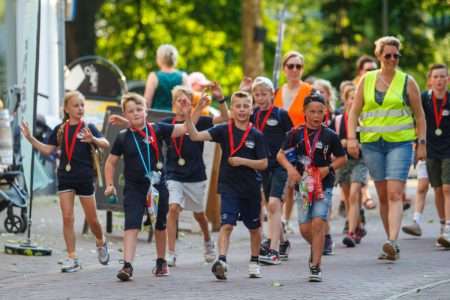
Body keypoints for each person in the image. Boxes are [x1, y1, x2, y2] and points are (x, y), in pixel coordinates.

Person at [347, 36, 427, 261]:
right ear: (379, 56)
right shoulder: (367, 80)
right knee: (382, 195)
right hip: (372, 144)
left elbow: (420, 115)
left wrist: (421, 143)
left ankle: (392, 242)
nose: (392, 59)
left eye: (396, 55)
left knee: (395, 193)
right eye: (387, 55)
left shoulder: (407, 81)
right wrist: (352, 139)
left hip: (400, 144)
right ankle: (389, 242)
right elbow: (354, 112)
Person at [20, 91, 110, 272]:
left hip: (84, 177)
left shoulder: (88, 127)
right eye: (76, 105)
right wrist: (30, 138)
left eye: (82, 105)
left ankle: (101, 242)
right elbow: (48, 150)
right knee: (67, 218)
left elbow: (106, 144)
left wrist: (93, 139)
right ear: (67, 109)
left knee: (93, 220)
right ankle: (72, 257)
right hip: (65, 177)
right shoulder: (60, 129)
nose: (80, 109)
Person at [183, 91, 268, 280]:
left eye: (246, 106)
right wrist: (189, 116)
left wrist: (242, 161)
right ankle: (221, 261)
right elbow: (195, 136)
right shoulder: (223, 130)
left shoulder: (257, 135)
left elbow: (263, 163)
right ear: (232, 109)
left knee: (254, 228)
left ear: (251, 109)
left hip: (251, 188)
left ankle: (254, 261)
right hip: (228, 186)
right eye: (238, 106)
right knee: (227, 224)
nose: (242, 110)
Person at [104, 93, 187, 281]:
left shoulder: (157, 130)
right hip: (134, 187)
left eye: (139, 109)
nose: (136, 114)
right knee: (131, 224)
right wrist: (109, 184)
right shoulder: (123, 137)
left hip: (158, 186)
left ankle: (161, 261)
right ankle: (127, 265)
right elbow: (110, 163)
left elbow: (183, 129)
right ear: (125, 114)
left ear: (146, 110)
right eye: (131, 111)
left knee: (160, 224)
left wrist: (190, 113)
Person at [277, 92, 347, 282]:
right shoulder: (294, 134)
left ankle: (316, 266)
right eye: (312, 112)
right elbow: (280, 155)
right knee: (305, 228)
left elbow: (343, 158)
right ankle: (316, 246)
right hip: (303, 187)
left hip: (323, 185)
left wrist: (329, 168)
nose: (316, 116)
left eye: (320, 112)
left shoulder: (330, 135)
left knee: (318, 223)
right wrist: (291, 170)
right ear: (305, 112)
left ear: (325, 112)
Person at [162, 84, 229, 266]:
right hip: (173, 173)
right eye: (179, 100)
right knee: (173, 208)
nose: (183, 103)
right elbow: (181, 128)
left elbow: (225, 118)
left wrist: (220, 99)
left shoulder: (202, 120)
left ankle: (207, 240)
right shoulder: (167, 122)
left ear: (191, 103)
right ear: (174, 103)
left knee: (199, 215)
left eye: (186, 100)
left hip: (195, 174)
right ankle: (171, 252)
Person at [404, 64, 450, 248]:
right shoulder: (424, 98)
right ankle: (442, 225)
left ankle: (448, 227)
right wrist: (417, 144)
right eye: (436, 77)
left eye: (443, 76)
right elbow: (415, 120)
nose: (439, 80)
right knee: (437, 189)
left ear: (448, 79)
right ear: (430, 80)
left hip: (449, 149)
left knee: (447, 188)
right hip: (430, 149)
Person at [249, 77, 293, 264]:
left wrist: (293, 166)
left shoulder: (281, 114)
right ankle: (283, 243)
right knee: (270, 205)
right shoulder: (253, 115)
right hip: (262, 166)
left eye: (264, 94)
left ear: (272, 94)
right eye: (257, 94)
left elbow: (293, 138)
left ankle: (273, 251)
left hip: (280, 165)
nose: (260, 98)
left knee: (274, 204)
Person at [273, 51, 313, 235]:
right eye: (291, 66)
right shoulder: (278, 92)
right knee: (286, 184)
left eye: (298, 66)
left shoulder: (309, 91)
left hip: (303, 144)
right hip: (281, 145)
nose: (295, 69)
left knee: (302, 186)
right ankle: (284, 220)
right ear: (284, 69)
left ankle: (314, 223)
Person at [335, 85, 370, 247]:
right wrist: (341, 142)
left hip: (360, 161)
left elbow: (371, 142)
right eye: (351, 97)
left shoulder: (366, 119)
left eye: (358, 98)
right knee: (349, 198)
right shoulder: (338, 120)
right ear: (345, 99)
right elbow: (331, 140)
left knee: (355, 194)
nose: (354, 101)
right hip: (343, 161)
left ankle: (351, 232)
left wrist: (359, 145)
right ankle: (357, 226)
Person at [144, 44, 188, 110]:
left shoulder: (153, 76)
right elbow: (188, 102)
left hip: (157, 118)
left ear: (159, 59)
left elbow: (147, 103)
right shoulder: (183, 76)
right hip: (176, 117)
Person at [401, 159, 429, 237]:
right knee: (421, 188)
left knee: (442, 189)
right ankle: (416, 222)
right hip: (424, 156)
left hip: (444, 153)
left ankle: (445, 225)